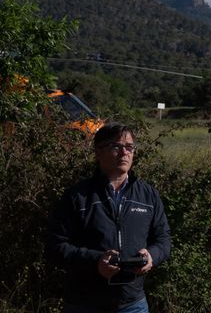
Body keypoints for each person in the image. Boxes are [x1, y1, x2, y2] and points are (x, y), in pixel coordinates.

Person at [48, 122, 171, 312]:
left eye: (129, 147)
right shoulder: (77, 197)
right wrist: (96, 261)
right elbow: (56, 247)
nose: (124, 153)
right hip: (84, 303)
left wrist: (151, 256)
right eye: (116, 146)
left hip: (132, 304)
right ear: (98, 152)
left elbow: (163, 240)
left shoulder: (148, 195)